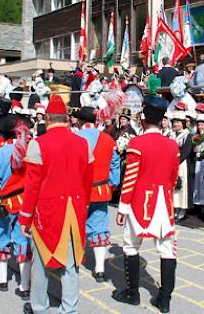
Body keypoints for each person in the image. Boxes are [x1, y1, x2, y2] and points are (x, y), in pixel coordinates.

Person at [18, 95, 93, 314]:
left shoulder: (38, 143)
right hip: (75, 209)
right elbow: (87, 182)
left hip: (47, 211)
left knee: (41, 262)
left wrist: (24, 218)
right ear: (67, 119)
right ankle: (69, 309)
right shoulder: (83, 143)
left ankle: (40, 307)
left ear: (48, 118)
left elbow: (32, 186)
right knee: (70, 265)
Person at [111, 94, 180, 313]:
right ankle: (165, 299)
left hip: (141, 202)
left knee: (131, 245)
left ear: (143, 118)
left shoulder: (137, 142)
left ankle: (132, 294)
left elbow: (130, 178)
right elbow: (173, 177)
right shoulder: (171, 144)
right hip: (164, 202)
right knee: (167, 250)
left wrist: (122, 207)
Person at [0, 110, 33, 296]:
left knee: (1, 238)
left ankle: (2, 280)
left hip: (4, 204)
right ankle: (24, 285)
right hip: (25, 202)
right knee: (23, 242)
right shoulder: (31, 149)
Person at [74, 106, 120, 282]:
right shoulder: (108, 139)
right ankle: (99, 269)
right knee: (99, 227)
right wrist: (113, 182)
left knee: (75, 226)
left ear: (79, 121)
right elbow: (115, 163)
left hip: (79, 191)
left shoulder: (75, 138)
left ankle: (74, 262)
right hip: (101, 190)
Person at [171, 109, 194, 222]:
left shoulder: (187, 135)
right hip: (173, 163)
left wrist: (176, 160)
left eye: (178, 122)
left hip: (182, 164)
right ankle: (174, 209)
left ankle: (182, 211)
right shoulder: (172, 134)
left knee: (182, 187)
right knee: (174, 187)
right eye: (174, 122)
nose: (175, 124)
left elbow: (186, 151)